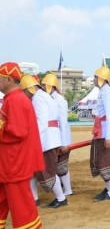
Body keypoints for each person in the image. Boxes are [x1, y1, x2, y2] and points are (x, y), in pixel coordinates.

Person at [0, 63, 44, 228]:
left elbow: (18, 132)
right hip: (9, 164)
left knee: (22, 209)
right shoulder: (14, 99)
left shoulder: (16, 100)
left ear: (8, 79)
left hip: (14, 164)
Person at [20, 74, 67, 208]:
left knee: (47, 171)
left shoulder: (38, 98)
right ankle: (35, 198)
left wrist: (33, 141)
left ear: (29, 89)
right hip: (50, 138)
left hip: (46, 140)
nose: (25, 95)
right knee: (36, 171)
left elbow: (41, 122)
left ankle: (61, 198)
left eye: (24, 92)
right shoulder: (44, 96)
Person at [91, 66, 110, 202]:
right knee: (103, 162)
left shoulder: (108, 92)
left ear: (102, 79)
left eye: (96, 77)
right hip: (101, 131)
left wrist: (109, 137)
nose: (94, 79)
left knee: (107, 163)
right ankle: (109, 188)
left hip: (106, 132)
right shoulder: (103, 91)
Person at [41, 73, 73, 196]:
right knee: (57, 166)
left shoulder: (60, 100)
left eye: (44, 85)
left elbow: (63, 122)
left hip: (61, 138)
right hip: (56, 139)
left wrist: (64, 143)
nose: (42, 88)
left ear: (50, 86)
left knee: (62, 166)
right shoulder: (50, 98)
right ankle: (65, 188)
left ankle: (68, 190)